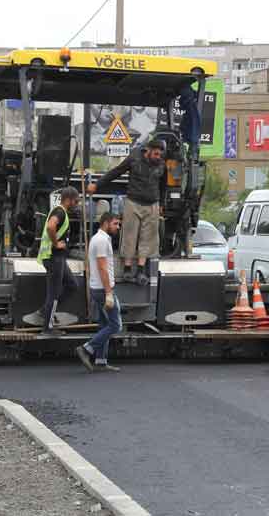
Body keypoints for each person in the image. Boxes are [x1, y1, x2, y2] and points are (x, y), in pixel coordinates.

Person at [87, 139, 166, 286]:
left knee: (147, 238)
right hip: (133, 202)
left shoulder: (161, 163)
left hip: (152, 204)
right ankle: (128, 268)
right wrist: (96, 185)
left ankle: (141, 270)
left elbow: (163, 185)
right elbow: (115, 172)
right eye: (156, 153)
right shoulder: (134, 157)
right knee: (129, 235)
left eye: (160, 154)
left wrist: (162, 204)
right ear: (148, 150)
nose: (158, 157)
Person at [27, 187, 81, 336]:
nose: (77, 204)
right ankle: (47, 328)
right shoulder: (60, 212)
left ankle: (45, 311)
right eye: (76, 201)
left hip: (58, 258)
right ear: (68, 199)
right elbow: (51, 226)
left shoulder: (61, 212)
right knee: (54, 293)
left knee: (72, 285)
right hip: (54, 257)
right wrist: (56, 243)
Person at [76, 212, 122, 373]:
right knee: (116, 325)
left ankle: (101, 361)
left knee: (104, 324)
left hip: (97, 288)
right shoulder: (102, 241)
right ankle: (86, 349)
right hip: (103, 289)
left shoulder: (98, 239)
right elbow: (102, 268)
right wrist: (109, 292)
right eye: (115, 224)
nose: (118, 227)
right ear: (106, 223)